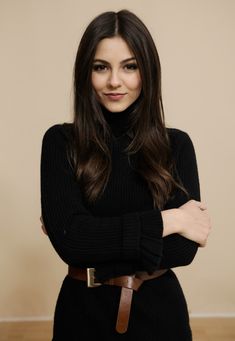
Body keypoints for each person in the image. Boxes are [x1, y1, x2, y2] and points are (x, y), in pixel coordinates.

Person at [40, 9, 211, 341]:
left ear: (147, 72)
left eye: (129, 66)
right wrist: (170, 220)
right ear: (84, 73)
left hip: (162, 317)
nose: (114, 81)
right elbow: (71, 244)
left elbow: (182, 251)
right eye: (101, 67)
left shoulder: (176, 144)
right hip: (82, 315)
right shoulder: (61, 142)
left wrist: (91, 235)